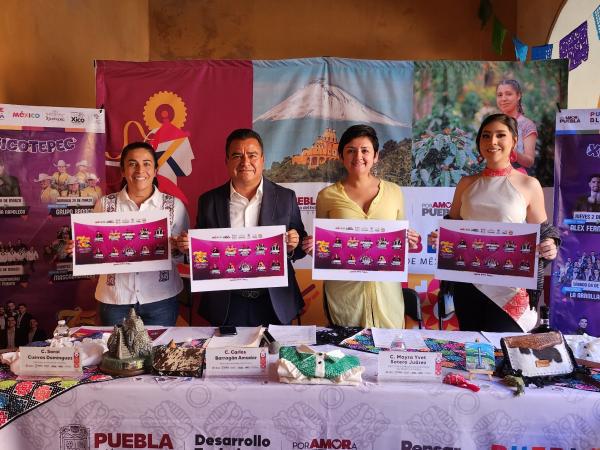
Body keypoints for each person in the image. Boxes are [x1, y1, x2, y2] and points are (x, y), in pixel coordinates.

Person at [177, 129, 307, 326]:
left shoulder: (285, 197)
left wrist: (292, 246)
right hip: (227, 303)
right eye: (237, 156)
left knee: (276, 348)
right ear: (227, 161)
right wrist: (188, 247)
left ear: (262, 159)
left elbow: (301, 246)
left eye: (252, 155)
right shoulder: (209, 201)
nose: (245, 162)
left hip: (274, 301)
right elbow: (201, 251)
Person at [446, 113, 559, 332]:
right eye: (486, 136)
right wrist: (442, 238)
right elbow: (452, 225)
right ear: (479, 142)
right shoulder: (466, 184)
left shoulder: (529, 184)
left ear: (514, 141)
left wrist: (550, 245)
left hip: (510, 288)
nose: (492, 141)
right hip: (468, 285)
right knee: (473, 349)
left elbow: (544, 231)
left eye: (500, 135)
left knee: (505, 348)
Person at [305, 124, 420, 328]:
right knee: (346, 347)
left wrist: (410, 242)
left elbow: (401, 243)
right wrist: (313, 248)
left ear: (376, 156)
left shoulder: (394, 192)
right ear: (341, 156)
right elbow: (324, 249)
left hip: (387, 296)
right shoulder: (327, 196)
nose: (358, 156)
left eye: (365, 150)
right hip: (345, 297)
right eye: (351, 150)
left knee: (387, 345)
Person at [68, 142, 189, 326]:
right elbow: (95, 247)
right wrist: (80, 249)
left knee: (159, 346)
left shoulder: (174, 206)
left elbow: (182, 256)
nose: (140, 170)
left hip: (161, 298)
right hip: (115, 298)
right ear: (123, 171)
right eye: (132, 164)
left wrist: (181, 247)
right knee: (117, 346)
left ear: (155, 170)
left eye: (147, 163)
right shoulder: (105, 205)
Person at [496, 80, 537, 173]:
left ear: (518, 96)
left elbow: (529, 162)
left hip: (518, 177)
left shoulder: (526, 125)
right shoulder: (494, 124)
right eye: (499, 95)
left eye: (508, 94)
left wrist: (512, 152)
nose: (503, 99)